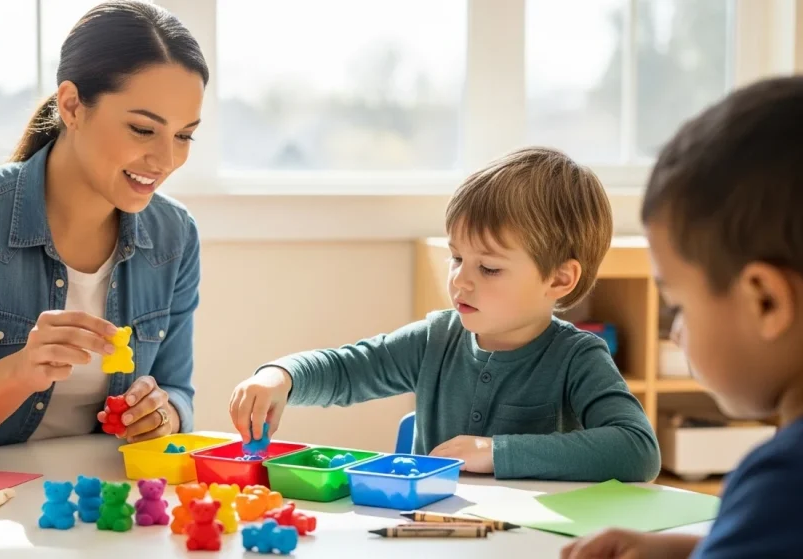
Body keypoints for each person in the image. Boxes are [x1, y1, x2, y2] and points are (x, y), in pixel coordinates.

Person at [0, 0, 208, 466]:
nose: (166, 160)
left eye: (184, 136)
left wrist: (162, 414)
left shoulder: (175, 236)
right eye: (142, 129)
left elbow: (177, 391)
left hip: (82, 498)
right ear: (72, 105)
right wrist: (20, 373)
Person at [229, 147, 661, 481]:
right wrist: (281, 376)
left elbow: (637, 450)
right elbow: (348, 369)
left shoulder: (578, 357)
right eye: (457, 258)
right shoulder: (436, 338)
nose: (461, 281)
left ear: (560, 279)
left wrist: (495, 452)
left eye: (488, 268)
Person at [562, 76, 803, 559]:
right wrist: (684, 550)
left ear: (766, 303)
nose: (675, 332)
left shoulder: (783, 485)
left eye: (678, 305)